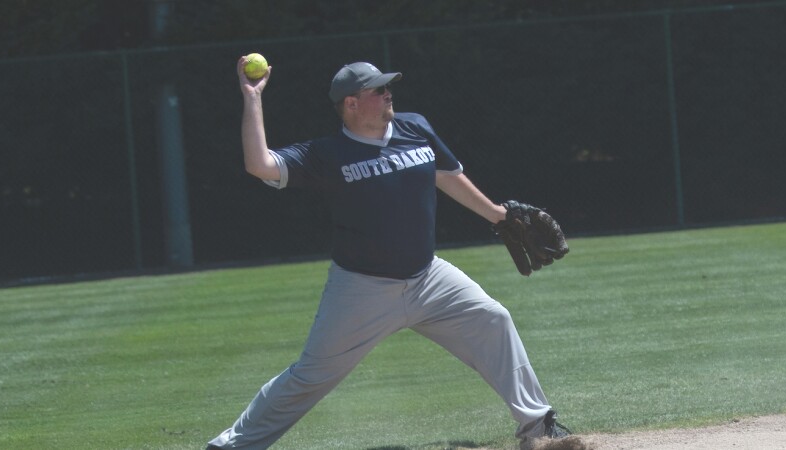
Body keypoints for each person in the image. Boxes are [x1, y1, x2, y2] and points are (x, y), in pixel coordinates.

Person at [204, 59, 579, 450]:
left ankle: (537, 427)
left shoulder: (415, 128)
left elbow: (448, 177)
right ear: (351, 104)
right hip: (362, 290)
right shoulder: (327, 154)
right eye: (378, 90)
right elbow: (259, 164)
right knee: (309, 376)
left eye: (388, 87)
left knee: (493, 319)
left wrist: (499, 216)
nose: (388, 94)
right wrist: (253, 98)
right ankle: (231, 446)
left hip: (428, 277)